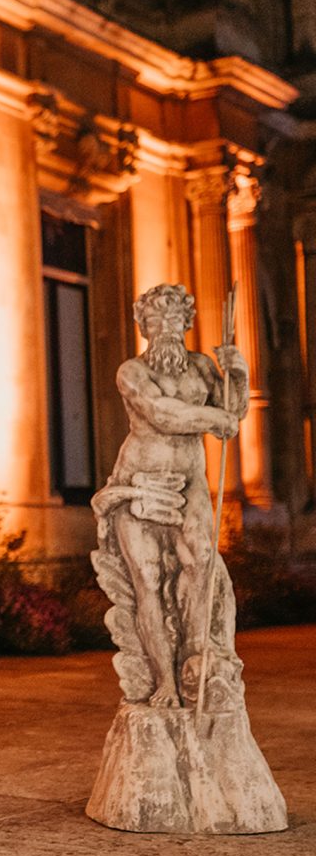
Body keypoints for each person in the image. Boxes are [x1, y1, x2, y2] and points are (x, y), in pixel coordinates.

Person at [92, 283, 247, 709]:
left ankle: (199, 663)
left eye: (175, 320)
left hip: (190, 482)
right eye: (156, 320)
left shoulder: (200, 367)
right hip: (142, 482)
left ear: (187, 324)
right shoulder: (132, 371)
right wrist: (214, 416)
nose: (166, 328)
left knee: (201, 563)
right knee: (148, 584)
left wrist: (237, 372)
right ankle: (164, 682)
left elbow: (233, 411)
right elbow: (162, 413)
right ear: (143, 325)